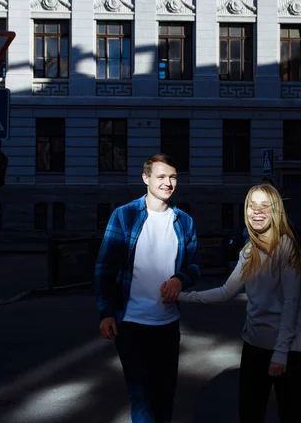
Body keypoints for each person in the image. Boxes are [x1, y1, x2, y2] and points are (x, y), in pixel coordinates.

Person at [172, 183, 301, 423]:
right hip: (254, 345)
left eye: (264, 206)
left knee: (291, 416)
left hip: (288, 348)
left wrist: (280, 353)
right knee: (249, 414)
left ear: (275, 211)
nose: (257, 212)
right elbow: (225, 291)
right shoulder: (248, 252)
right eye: (251, 206)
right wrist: (182, 296)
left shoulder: (286, 247)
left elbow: (291, 303)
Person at [95, 153, 200, 423]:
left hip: (168, 323)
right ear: (146, 178)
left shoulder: (184, 221)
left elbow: (195, 266)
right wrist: (105, 312)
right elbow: (105, 268)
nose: (168, 183)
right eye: (161, 176)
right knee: (140, 396)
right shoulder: (125, 216)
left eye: (173, 177)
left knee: (165, 395)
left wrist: (180, 279)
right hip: (130, 323)